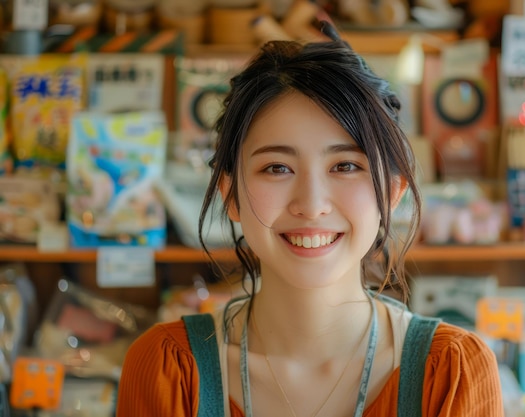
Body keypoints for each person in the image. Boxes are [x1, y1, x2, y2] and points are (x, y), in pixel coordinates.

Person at [116, 22, 504, 417]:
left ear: (391, 193)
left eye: (346, 165)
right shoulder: (169, 369)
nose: (312, 204)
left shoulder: (454, 372)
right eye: (277, 168)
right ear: (230, 196)